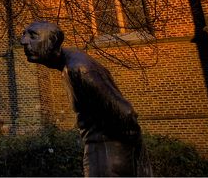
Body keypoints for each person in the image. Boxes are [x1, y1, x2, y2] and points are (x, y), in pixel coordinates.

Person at [20, 21, 151, 177]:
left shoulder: (80, 68)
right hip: (102, 151)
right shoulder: (70, 64)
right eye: (24, 35)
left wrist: (132, 155)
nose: (24, 42)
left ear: (53, 42)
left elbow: (126, 113)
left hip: (108, 156)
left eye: (33, 36)